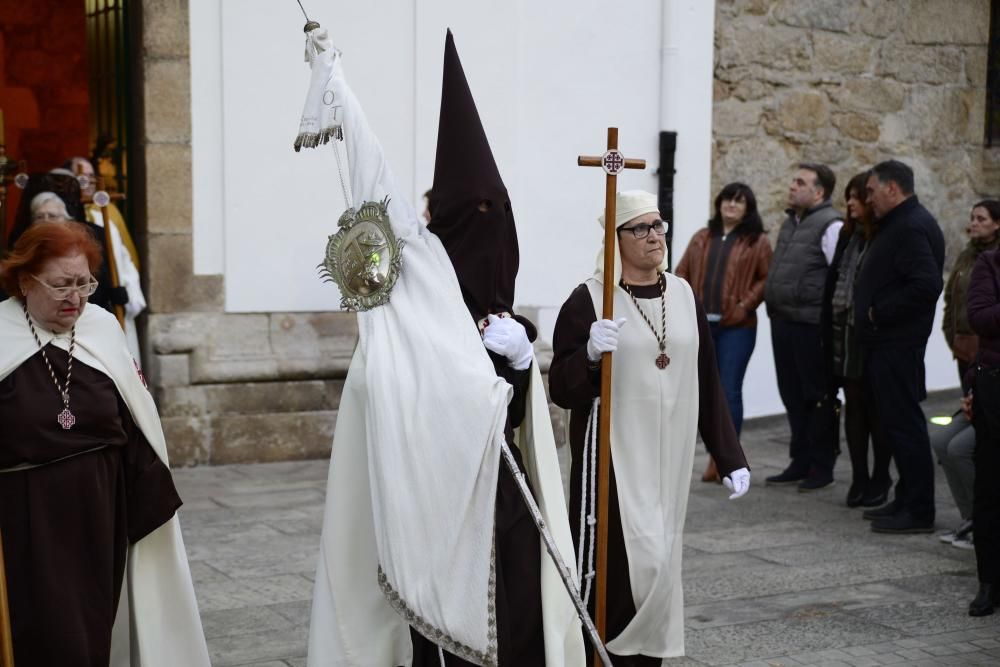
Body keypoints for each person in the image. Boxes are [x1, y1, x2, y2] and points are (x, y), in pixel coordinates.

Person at [300, 27, 583, 666]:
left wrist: (516, 370)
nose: (494, 230)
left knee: (513, 618)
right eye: (478, 214)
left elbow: (512, 420)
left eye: (499, 213)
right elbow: (374, 183)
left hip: (498, 497)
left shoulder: (500, 315)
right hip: (424, 499)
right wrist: (337, 88)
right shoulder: (418, 293)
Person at [549, 190, 751, 665]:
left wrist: (729, 456)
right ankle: (600, 656)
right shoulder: (589, 300)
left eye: (658, 225)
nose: (654, 236)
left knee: (660, 565)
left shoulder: (682, 294)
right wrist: (589, 356)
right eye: (640, 228)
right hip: (612, 462)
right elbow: (561, 387)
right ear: (616, 239)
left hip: (668, 460)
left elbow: (706, 379)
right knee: (614, 572)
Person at [0, 221, 209, 666]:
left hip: (101, 513)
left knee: (94, 627)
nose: (75, 297)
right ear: (24, 281)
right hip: (26, 518)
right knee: (46, 633)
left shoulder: (101, 328)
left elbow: (136, 420)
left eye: (84, 283)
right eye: (60, 285)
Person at [856, 160, 945, 534]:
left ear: (893, 189)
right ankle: (907, 498)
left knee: (905, 425)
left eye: (872, 192)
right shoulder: (900, 224)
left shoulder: (910, 226)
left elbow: (926, 285)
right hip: (887, 344)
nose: (868, 199)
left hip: (897, 343)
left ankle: (919, 510)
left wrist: (879, 312)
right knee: (895, 425)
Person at [676, 182, 771, 482]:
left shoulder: (757, 242)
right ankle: (714, 455)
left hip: (737, 328)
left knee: (729, 390)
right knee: (704, 390)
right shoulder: (702, 238)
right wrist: (689, 304)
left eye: (739, 202)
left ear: (748, 208)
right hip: (702, 326)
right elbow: (681, 274)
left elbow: (767, 279)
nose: (731, 205)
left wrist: (745, 305)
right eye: (727, 200)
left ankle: (726, 461)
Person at [763, 163, 844, 490]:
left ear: (819, 192)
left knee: (817, 396)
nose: (792, 186)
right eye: (793, 180)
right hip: (783, 321)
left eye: (801, 182)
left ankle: (822, 466)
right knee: (792, 395)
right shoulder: (790, 222)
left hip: (811, 325)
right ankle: (800, 460)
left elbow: (836, 276)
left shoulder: (831, 225)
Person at [822, 171, 892, 508]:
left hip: (869, 332)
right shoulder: (849, 238)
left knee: (876, 408)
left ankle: (881, 476)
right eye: (847, 197)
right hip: (844, 331)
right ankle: (860, 476)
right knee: (854, 406)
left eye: (856, 197)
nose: (849, 204)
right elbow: (834, 282)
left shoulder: (882, 237)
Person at [51, 166, 147, 360]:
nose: (86, 182)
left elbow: (123, 261)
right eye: (81, 178)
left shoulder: (105, 217)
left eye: (89, 176)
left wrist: (122, 293)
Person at [5, 172, 129, 320]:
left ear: (68, 220)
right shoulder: (24, 249)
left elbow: (98, 285)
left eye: (52, 216)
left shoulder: (88, 244)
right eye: (39, 217)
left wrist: (114, 294)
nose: (46, 222)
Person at [967, 246, 1000, 615]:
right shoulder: (989, 263)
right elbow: (980, 317)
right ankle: (988, 581)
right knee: (990, 487)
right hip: (994, 389)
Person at [943, 200, 1000, 391]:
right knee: (971, 401)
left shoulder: (995, 260)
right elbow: (951, 296)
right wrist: (951, 333)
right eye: (972, 218)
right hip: (964, 346)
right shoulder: (966, 256)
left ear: (997, 224)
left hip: (989, 347)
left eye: (981, 219)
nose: (974, 223)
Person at [63, 156, 141, 269]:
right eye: (82, 176)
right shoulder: (62, 209)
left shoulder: (109, 209)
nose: (89, 181)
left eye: (91, 176)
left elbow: (127, 251)